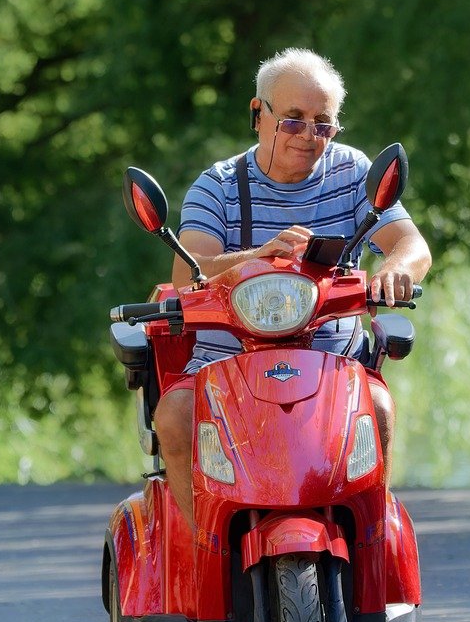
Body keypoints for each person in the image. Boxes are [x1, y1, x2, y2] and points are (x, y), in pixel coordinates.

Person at [155, 47, 431, 527]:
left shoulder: (352, 173)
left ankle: (369, 554)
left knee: (380, 406)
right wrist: (255, 257)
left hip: (335, 368)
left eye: (323, 123)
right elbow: (189, 271)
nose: (308, 135)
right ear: (258, 114)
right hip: (226, 369)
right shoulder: (217, 185)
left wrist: (397, 269)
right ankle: (208, 548)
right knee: (175, 417)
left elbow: (412, 244)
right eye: (294, 119)